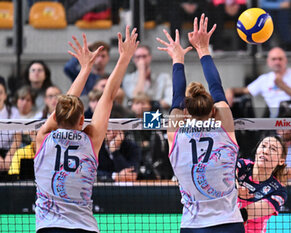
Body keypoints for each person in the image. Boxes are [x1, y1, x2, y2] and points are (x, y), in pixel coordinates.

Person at [34, 28, 138, 232]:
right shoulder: (90, 140)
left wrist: (85, 68)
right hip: (84, 227)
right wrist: (125, 57)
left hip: (48, 227)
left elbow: (62, 108)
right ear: (82, 119)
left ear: (56, 115)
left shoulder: (43, 137)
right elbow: (108, 96)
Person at [157, 14, 244, 232]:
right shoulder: (225, 130)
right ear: (214, 110)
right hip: (230, 223)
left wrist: (178, 58)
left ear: (185, 111)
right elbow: (217, 88)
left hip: (194, 225)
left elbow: (177, 96)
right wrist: (203, 49)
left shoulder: (176, 135)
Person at [226, 47, 291, 117]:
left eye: (280, 59)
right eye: (274, 59)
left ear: (285, 60)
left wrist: (282, 85)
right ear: (268, 62)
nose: (277, 62)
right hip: (275, 123)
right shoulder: (264, 79)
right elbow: (245, 90)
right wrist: (231, 90)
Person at [236, 136, 288, 233]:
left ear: (281, 161)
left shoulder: (279, 191)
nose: (265, 151)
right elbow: (229, 173)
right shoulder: (243, 166)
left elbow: (243, 214)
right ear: (257, 150)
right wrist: (236, 188)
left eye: (273, 149)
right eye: (263, 146)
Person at [122, 45, 172, 110]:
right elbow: (135, 97)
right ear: (134, 59)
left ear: (150, 57)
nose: (141, 60)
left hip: (159, 113)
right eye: (138, 57)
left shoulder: (164, 77)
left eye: (144, 56)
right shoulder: (128, 79)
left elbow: (170, 99)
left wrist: (153, 104)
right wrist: (141, 72)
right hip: (137, 116)